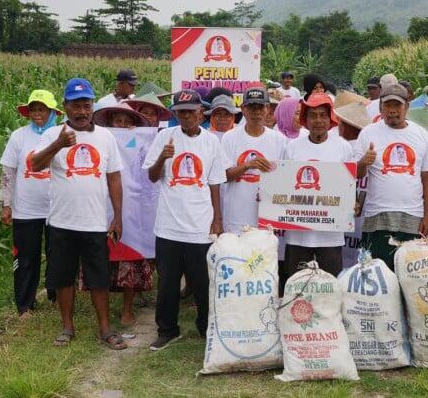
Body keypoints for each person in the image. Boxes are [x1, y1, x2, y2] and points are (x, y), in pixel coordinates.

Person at [32, 78, 126, 350]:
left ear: (93, 106)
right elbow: (36, 165)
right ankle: (67, 327)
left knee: (98, 277)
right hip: (62, 221)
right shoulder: (52, 135)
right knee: (63, 276)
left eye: (86, 105)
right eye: (76, 106)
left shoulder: (105, 137)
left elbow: (115, 179)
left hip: (95, 221)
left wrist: (117, 216)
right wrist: (58, 144)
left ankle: (106, 329)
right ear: (65, 107)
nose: (82, 111)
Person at [143, 89, 226, 350]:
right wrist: (162, 158)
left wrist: (217, 219)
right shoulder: (165, 137)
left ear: (201, 113)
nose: (186, 117)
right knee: (167, 281)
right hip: (168, 225)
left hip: (200, 224)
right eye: (180, 113)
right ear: (175, 114)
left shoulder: (211, 142)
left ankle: (205, 327)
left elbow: (215, 183)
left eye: (190, 112)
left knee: (202, 281)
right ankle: (167, 330)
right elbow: (152, 177)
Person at [354, 83, 428, 271]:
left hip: (413, 215)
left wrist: (427, 216)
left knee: (409, 275)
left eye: (397, 106)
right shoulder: (368, 133)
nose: (392, 111)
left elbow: (427, 178)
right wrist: (364, 162)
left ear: (407, 106)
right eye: (387, 106)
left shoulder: (421, 135)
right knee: (376, 274)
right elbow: (356, 176)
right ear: (380, 107)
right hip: (377, 214)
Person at [280, 93, 352, 292]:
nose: (318, 121)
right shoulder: (292, 147)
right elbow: (283, 185)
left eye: (323, 115)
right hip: (297, 234)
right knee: (296, 285)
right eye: (313, 115)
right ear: (305, 119)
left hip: (330, 234)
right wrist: (270, 197)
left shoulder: (343, 148)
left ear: (330, 119)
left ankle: (331, 322)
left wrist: (350, 202)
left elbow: (348, 186)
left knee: (331, 287)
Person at [0, 89, 61, 317]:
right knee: (26, 258)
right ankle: (25, 305)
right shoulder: (19, 136)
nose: (37, 114)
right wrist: (6, 204)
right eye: (33, 109)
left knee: (57, 254)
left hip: (56, 208)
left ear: (53, 111)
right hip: (25, 209)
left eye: (42, 109)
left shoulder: (62, 134)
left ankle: (56, 296)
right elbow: (8, 170)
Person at [92, 102, 153, 326]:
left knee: (130, 257)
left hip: (132, 207)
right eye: (119, 121)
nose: (124, 125)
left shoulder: (140, 142)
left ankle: (127, 309)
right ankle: (104, 309)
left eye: (129, 122)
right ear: (109, 123)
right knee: (103, 259)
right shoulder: (100, 141)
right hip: (102, 205)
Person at [221, 88, 287, 233]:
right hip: (235, 218)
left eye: (260, 107)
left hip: (265, 219)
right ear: (243, 109)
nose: (256, 112)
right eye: (251, 107)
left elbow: (285, 181)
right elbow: (223, 176)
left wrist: (269, 192)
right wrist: (247, 165)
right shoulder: (229, 137)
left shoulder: (280, 140)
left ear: (268, 109)